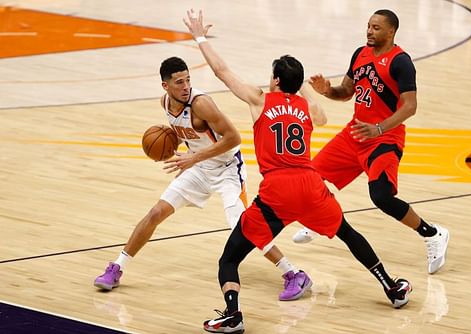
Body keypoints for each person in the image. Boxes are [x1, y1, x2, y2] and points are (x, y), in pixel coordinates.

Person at [183, 9, 412, 334]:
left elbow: (222, 71)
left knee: (229, 260)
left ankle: (233, 315)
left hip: (277, 191)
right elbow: (322, 118)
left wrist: (200, 37)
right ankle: (391, 286)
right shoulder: (308, 108)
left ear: (275, 80)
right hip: (310, 184)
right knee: (348, 233)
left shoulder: (260, 100)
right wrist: (303, 85)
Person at [93, 56, 311, 302]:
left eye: (187, 80)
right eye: (179, 82)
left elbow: (233, 138)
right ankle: (117, 268)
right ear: (166, 86)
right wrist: (168, 150)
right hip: (199, 167)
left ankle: (293, 273)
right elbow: (186, 135)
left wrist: (193, 158)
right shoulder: (165, 103)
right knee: (156, 213)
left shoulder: (202, 104)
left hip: (228, 169)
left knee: (244, 227)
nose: (185, 86)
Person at [292, 9, 450, 275]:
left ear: (391, 32)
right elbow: (346, 92)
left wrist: (379, 128)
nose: (369, 31)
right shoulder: (360, 54)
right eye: (368, 26)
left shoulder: (401, 62)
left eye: (376, 28)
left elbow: (410, 107)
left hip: (384, 137)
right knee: (311, 178)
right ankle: (320, 219)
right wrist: (327, 91)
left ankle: (433, 234)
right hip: (356, 132)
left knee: (382, 197)